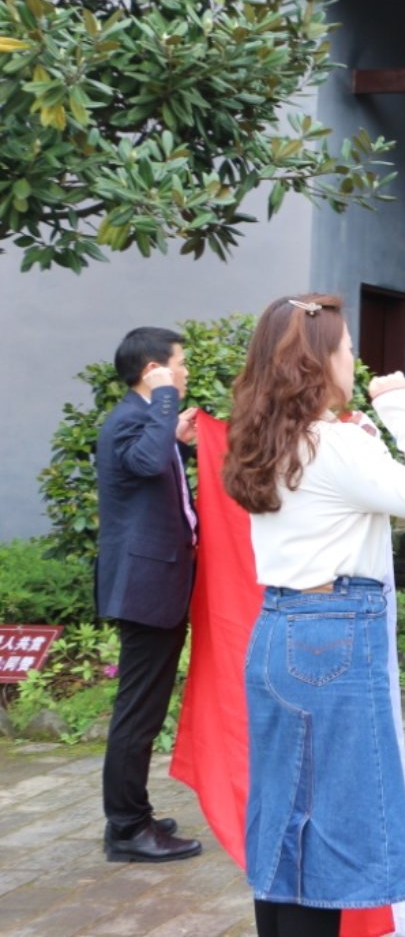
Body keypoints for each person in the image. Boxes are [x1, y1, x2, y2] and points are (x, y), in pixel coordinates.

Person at [224, 294, 405, 937]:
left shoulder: (267, 438)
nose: (356, 361)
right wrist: (402, 411)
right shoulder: (333, 445)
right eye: (348, 349)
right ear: (316, 362)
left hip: (279, 628)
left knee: (282, 818)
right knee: (330, 829)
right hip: (332, 636)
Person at [96, 326, 204, 863]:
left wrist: (175, 436)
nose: (184, 372)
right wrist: (166, 403)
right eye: (178, 363)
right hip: (146, 585)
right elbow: (142, 464)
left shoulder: (142, 421)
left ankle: (131, 816)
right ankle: (127, 828)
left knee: (143, 708)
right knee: (137, 712)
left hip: (156, 580)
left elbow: (152, 473)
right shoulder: (130, 418)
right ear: (152, 370)